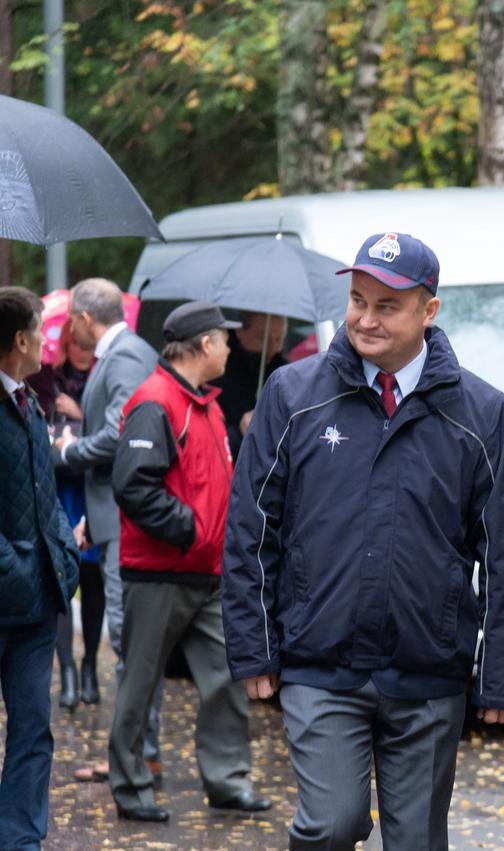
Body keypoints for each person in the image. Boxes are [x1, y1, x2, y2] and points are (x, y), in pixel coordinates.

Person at [222, 232, 504, 850]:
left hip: (427, 669)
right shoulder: (292, 394)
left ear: (429, 310)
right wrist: (253, 648)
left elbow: (503, 553)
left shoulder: (480, 412)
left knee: (415, 840)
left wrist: (499, 674)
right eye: (358, 300)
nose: (365, 318)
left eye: (386, 305)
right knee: (331, 824)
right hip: (321, 661)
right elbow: (252, 529)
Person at [107, 301, 271, 823]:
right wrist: (193, 530)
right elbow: (133, 484)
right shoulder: (155, 402)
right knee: (141, 684)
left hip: (208, 572)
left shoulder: (207, 404)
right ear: (204, 345)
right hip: (160, 573)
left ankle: (228, 782)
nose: (229, 347)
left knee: (226, 678)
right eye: (224, 339)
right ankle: (131, 787)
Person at [53, 278, 165, 784]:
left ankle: (136, 755)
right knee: (130, 639)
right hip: (111, 515)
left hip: (126, 522)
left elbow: (123, 431)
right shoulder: (126, 351)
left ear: (81, 318)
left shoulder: (122, 357)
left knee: (128, 639)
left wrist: (68, 452)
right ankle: (139, 751)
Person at [0, 286, 81, 848]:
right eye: (41, 333)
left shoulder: (28, 402)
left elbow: (45, 496)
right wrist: (14, 568)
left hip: (36, 602)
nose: (48, 347)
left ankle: (21, 840)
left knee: (33, 731)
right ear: (22, 339)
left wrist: (62, 554)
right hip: (14, 587)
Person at [29, 330, 106, 709]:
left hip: (91, 486)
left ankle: (90, 667)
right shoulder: (47, 378)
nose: (85, 351)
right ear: (67, 343)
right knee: (61, 579)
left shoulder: (104, 375)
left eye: (90, 344)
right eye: (79, 343)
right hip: (61, 487)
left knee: (94, 579)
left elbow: (112, 429)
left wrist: (80, 412)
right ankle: (68, 674)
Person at [209, 310, 288, 460]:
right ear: (240, 332)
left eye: (279, 339)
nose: (271, 348)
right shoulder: (216, 371)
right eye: (261, 338)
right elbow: (207, 446)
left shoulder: (286, 374)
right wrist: (239, 431)